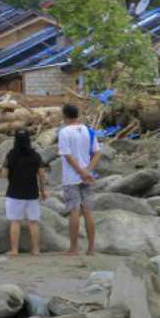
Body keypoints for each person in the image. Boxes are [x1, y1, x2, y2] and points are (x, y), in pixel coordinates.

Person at [58, 104, 100, 256]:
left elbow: (67, 156)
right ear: (77, 114)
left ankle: (74, 248)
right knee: (88, 211)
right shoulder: (89, 130)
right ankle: (91, 249)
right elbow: (97, 154)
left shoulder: (64, 132)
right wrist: (87, 171)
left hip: (71, 177)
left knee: (74, 210)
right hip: (87, 176)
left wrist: (81, 172)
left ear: (64, 116)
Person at [0, 130, 48, 256]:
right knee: (33, 222)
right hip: (32, 193)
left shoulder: (11, 154)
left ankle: (14, 250)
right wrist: (43, 191)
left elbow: (3, 175)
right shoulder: (36, 155)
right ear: (28, 140)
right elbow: (42, 175)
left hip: (14, 192)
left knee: (15, 221)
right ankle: (36, 250)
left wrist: (4, 168)